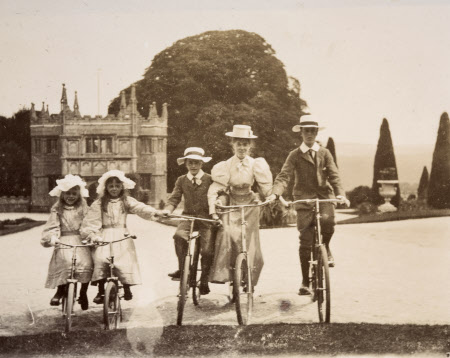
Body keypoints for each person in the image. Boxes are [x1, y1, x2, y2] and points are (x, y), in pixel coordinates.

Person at [267, 115, 350, 295]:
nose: (310, 134)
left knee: (328, 223)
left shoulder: (324, 153)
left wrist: (340, 194)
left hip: (323, 196)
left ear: (317, 132)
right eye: (306, 131)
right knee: (305, 240)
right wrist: (276, 193)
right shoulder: (294, 155)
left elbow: (334, 175)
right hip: (304, 199)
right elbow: (284, 176)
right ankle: (305, 281)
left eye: (313, 130)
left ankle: (326, 247)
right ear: (301, 133)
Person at [80, 170, 162, 303]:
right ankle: (101, 291)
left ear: (122, 187)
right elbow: (92, 220)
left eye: (117, 186)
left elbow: (140, 208)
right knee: (101, 259)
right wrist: (92, 233)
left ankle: (126, 287)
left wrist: (154, 212)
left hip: (121, 234)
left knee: (124, 260)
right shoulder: (99, 203)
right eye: (111, 186)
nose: (114, 189)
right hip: (105, 234)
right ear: (106, 188)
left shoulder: (126, 201)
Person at [208, 124, 273, 287]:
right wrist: (216, 201)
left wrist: (271, 196)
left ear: (250, 146)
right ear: (233, 144)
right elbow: (217, 186)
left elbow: (265, 186)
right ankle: (230, 272)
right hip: (232, 201)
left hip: (250, 203)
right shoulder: (226, 165)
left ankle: (248, 275)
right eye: (239, 143)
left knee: (249, 239)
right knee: (228, 233)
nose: (242, 147)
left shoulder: (256, 164)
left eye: (245, 144)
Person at [161, 147, 217, 295]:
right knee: (179, 236)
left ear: (201, 164)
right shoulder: (181, 180)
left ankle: (204, 280)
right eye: (190, 162)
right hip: (188, 217)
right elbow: (174, 198)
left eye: (196, 163)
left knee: (207, 250)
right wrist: (168, 210)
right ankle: (184, 270)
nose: (193, 166)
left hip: (205, 219)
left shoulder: (210, 179)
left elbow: (218, 195)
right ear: (185, 163)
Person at [41, 174, 93, 310]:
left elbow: (88, 223)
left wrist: (89, 235)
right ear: (62, 195)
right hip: (64, 239)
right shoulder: (57, 208)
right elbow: (53, 224)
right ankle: (60, 290)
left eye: (74, 194)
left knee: (87, 263)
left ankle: (83, 292)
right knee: (65, 261)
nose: (71, 196)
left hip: (81, 239)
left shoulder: (83, 207)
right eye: (68, 193)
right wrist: (52, 237)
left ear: (79, 195)